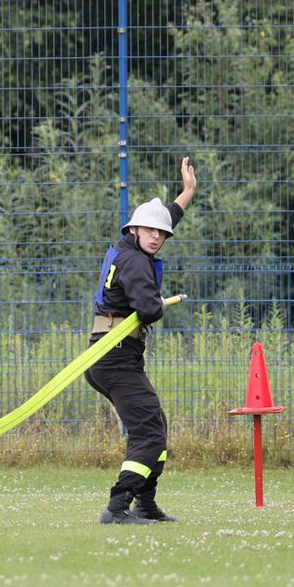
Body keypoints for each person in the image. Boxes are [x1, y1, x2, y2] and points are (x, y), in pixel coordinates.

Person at [86, 157, 196, 524]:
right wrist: (158, 306)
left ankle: (145, 505)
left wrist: (187, 193)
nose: (156, 237)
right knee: (149, 431)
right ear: (134, 229)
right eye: (149, 230)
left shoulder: (126, 248)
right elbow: (149, 309)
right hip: (114, 357)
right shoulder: (135, 263)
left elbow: (165, 217)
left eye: (161, 233)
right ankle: (118, 507)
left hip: (113, 355)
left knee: (154, 425)